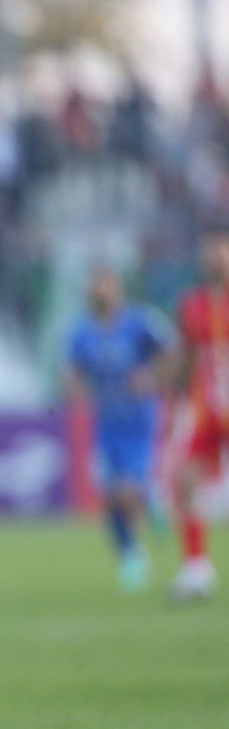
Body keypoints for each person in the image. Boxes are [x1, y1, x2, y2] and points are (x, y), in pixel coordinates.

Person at [65, 266, 173, 591]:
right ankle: (130, 554)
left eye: (106, 286)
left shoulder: (141, 323)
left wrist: (151, 377)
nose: (101, 292)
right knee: (110, 496)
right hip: (107, 425)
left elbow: (172, 353)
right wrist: (73, 387)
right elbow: (74, 372)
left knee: (126, 490)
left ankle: (148, 498)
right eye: (95, 286)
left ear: (118, 289)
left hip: (138, 422)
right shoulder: (81, 332)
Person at [168, 223, 229, 602]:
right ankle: (196, 568)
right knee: (185, 479)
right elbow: (187, 357)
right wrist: (174, 399)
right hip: (208, 408)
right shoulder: (192, 304)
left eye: (221, 248)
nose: (214, 256)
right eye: (209, 249)